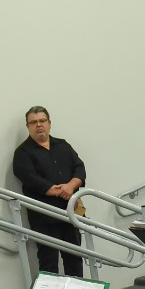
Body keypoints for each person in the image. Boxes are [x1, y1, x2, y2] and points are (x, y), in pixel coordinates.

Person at [11, 106, 87, 278]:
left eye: (42, 121)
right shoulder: (23, 153)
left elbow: (79, 168)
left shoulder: (63, 145)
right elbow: (31, 179)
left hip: (71, 213)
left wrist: (71, 186)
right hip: (44, 218)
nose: (39, 125)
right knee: (49, 264)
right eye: (33, 122)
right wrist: (62, 191)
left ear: (49, 123)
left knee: (75, 259)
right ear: (28, 126)